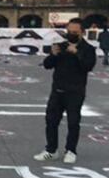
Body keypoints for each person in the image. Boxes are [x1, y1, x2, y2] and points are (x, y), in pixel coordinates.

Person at [34, 18, 96, 164]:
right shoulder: (60, 46)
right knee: (51, 121)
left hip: (75, 91)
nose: (71, 34)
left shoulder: (88, 49)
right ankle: (51, 150)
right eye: (69, 32)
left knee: (73, 122)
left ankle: (71, 150)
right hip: (57, 89)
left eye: (75, 32)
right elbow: (47, 65)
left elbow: (88, 66)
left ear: (82, 32)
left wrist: (76, 53)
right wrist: (53, 54)